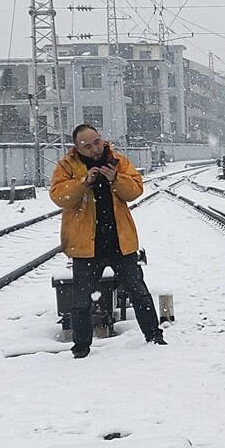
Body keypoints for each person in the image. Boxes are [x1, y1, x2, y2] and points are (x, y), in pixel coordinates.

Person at [49, 124, 164, 357]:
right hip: (86, 246)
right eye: (87, 146)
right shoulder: (67, 166)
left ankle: (154, 335)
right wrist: (84, 182)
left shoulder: (117, 162)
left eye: (97, 142)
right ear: (77, 148)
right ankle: (81, 347)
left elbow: (135, 190)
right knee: (81, 301)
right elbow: (59, 196)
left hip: (120, 242)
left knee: (138, 292)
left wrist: (116, 179)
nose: (95, 149)